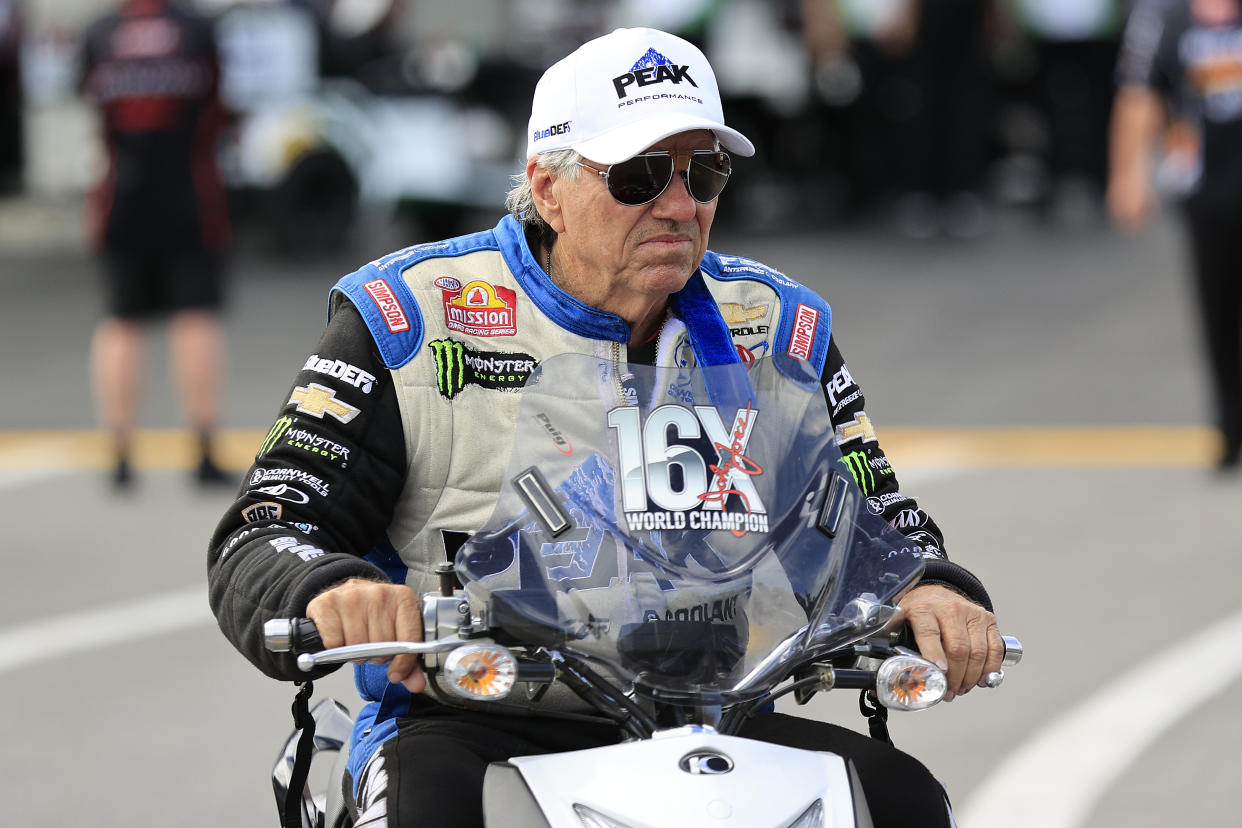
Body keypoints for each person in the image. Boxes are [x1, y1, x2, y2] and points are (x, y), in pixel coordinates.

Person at [208, 27, 1005, 827]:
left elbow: (865, 506)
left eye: (705, 172)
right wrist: (334, 592)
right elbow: (266, 527)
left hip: (712, 716)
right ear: (546, 189)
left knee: (901, 799)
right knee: (425, 810)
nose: (679, 204)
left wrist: (930, 585)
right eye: (640, 174)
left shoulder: (777, 323)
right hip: (475, 716)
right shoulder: (408, 316)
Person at [79, 0, 233, 488]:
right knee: (195, 317)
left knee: (122, 320)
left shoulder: (100, 34)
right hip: (190, 196)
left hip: (120, 196)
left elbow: (91, 112)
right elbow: (220, 108)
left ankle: (120, 455)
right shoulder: (197, 30)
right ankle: (203, 450)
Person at [1107, 0, 1242, 469]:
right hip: (1206, 186)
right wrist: (1128, 173)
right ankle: (1229, 426)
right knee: (1219, 309)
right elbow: (1141, 92)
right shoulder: (1162, 14)